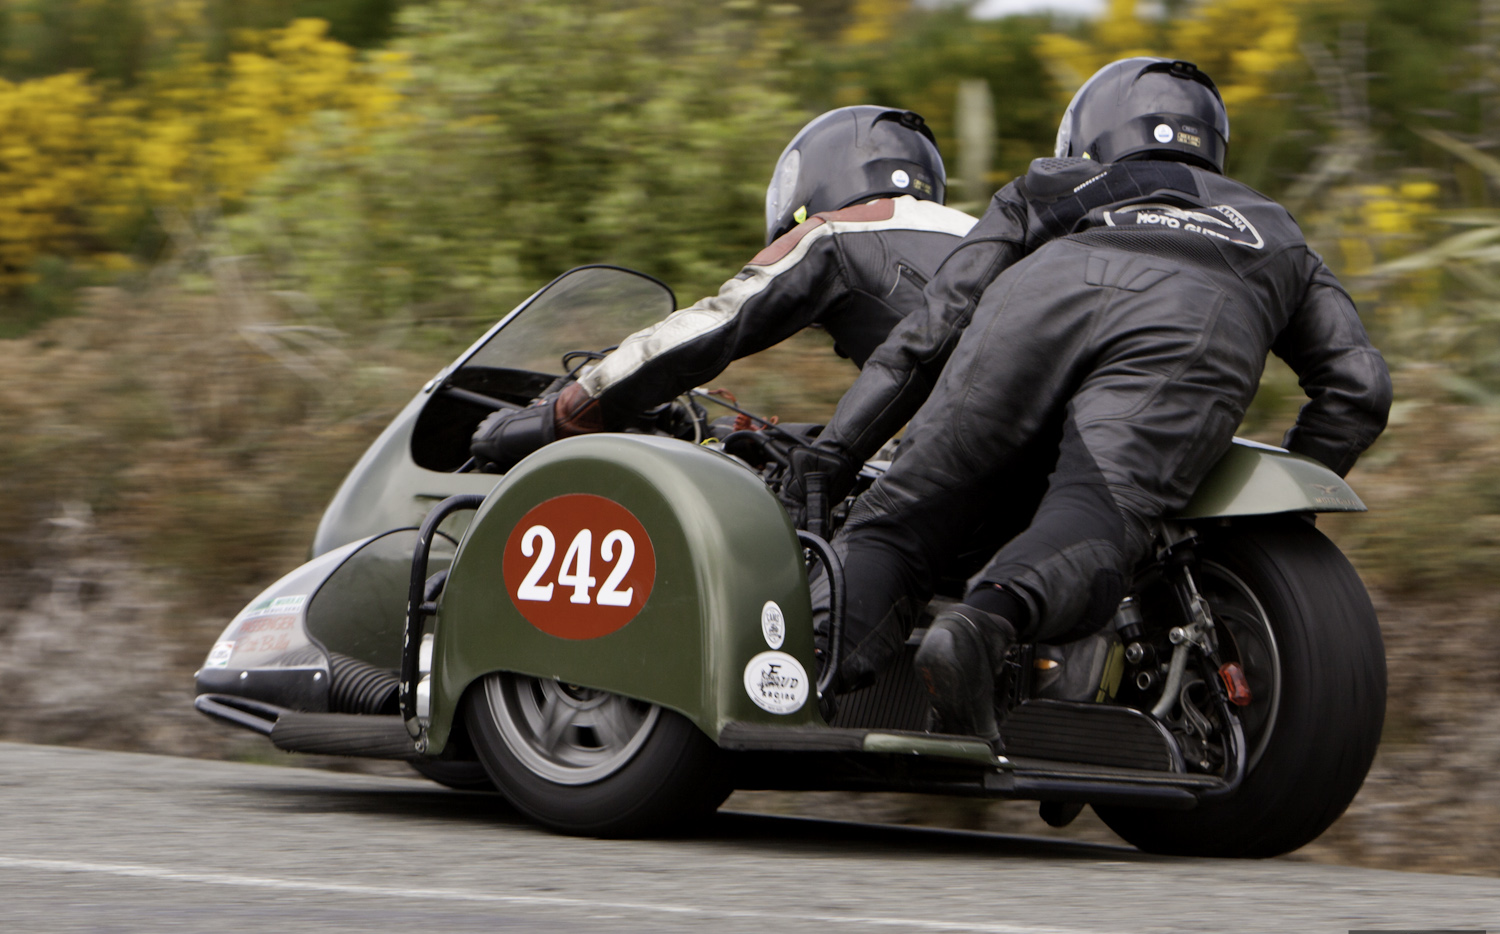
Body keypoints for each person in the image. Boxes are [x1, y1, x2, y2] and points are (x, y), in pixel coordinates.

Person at [798, 58, 1392, 742]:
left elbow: (928, 335)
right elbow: (1359, 386)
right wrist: (1280, 528)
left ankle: (804, 667)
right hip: (1186, 328)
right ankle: (983, 623)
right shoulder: (1276, 229)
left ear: (1091, 134)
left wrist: (836, 455)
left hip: (1030, 308)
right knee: (1097, 513)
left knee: (902, 515)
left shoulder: (1047, 185)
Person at [469, 105, 979, 477]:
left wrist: (565, 413)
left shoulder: (839, 233)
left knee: (821, 580)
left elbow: (714, 325)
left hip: (977, 474)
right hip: (1036, 484)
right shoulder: (992, 238)